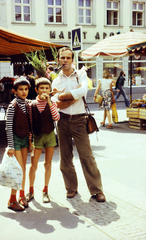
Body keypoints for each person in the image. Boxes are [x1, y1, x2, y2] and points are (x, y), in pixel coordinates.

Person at [51, 47, 105, 202]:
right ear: (59, 60)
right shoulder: (56, 80)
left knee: (87, 156)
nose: (65, 60)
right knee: (65, 157)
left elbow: (83, 90)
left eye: (68, 58)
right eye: (63, 58)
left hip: (79, 120)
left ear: (72, 60)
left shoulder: (81, 74)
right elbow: (54, 101)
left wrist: (64, 96)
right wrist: (69, 98)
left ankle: (97, 190)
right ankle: (71, 188)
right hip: (61, 121)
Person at [26, 77, 60, 203]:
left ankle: (45, 190)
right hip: (37, 137)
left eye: (47, 88)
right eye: (42, 88)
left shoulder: (52, 103)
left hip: (49, 135)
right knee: (33, 165)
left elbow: (56, 118)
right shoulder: (31, 105)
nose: (44, 90)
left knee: (48, 164)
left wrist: (50, 102)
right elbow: (30, 123)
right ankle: (30, 190)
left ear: (50, 89)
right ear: (36, 90)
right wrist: (30, 141)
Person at [6, 76, 31, 211]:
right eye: (20, 89)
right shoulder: (12, 105)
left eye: (26, 89)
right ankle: (12, 200)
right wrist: (10, 146)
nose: (24, 92)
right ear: (15, 91)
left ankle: (22, 196)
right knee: (18, 170)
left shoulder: (27, 104)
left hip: (24, 140)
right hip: (15, 140)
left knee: (23, 170)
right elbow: (8, 127)